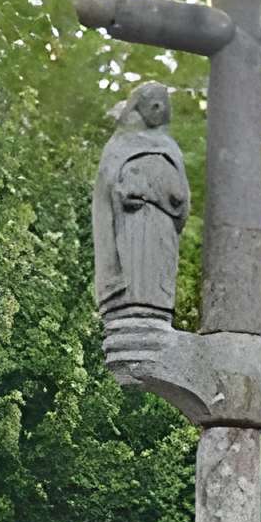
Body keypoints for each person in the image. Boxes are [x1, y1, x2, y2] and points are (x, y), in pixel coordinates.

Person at [91, 82, 189, 374]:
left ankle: (155, 311)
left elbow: (182, 197)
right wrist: (125, 192)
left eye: (163, 101)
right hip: (131, 225)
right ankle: (131, 308)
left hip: (161, 225)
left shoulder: (170, 147)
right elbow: (107, 187)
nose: (158, 107)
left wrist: (172, 199)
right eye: (151, 101)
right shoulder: (120, 144)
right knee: (135, 270)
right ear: (138, 106)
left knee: (157, 271)